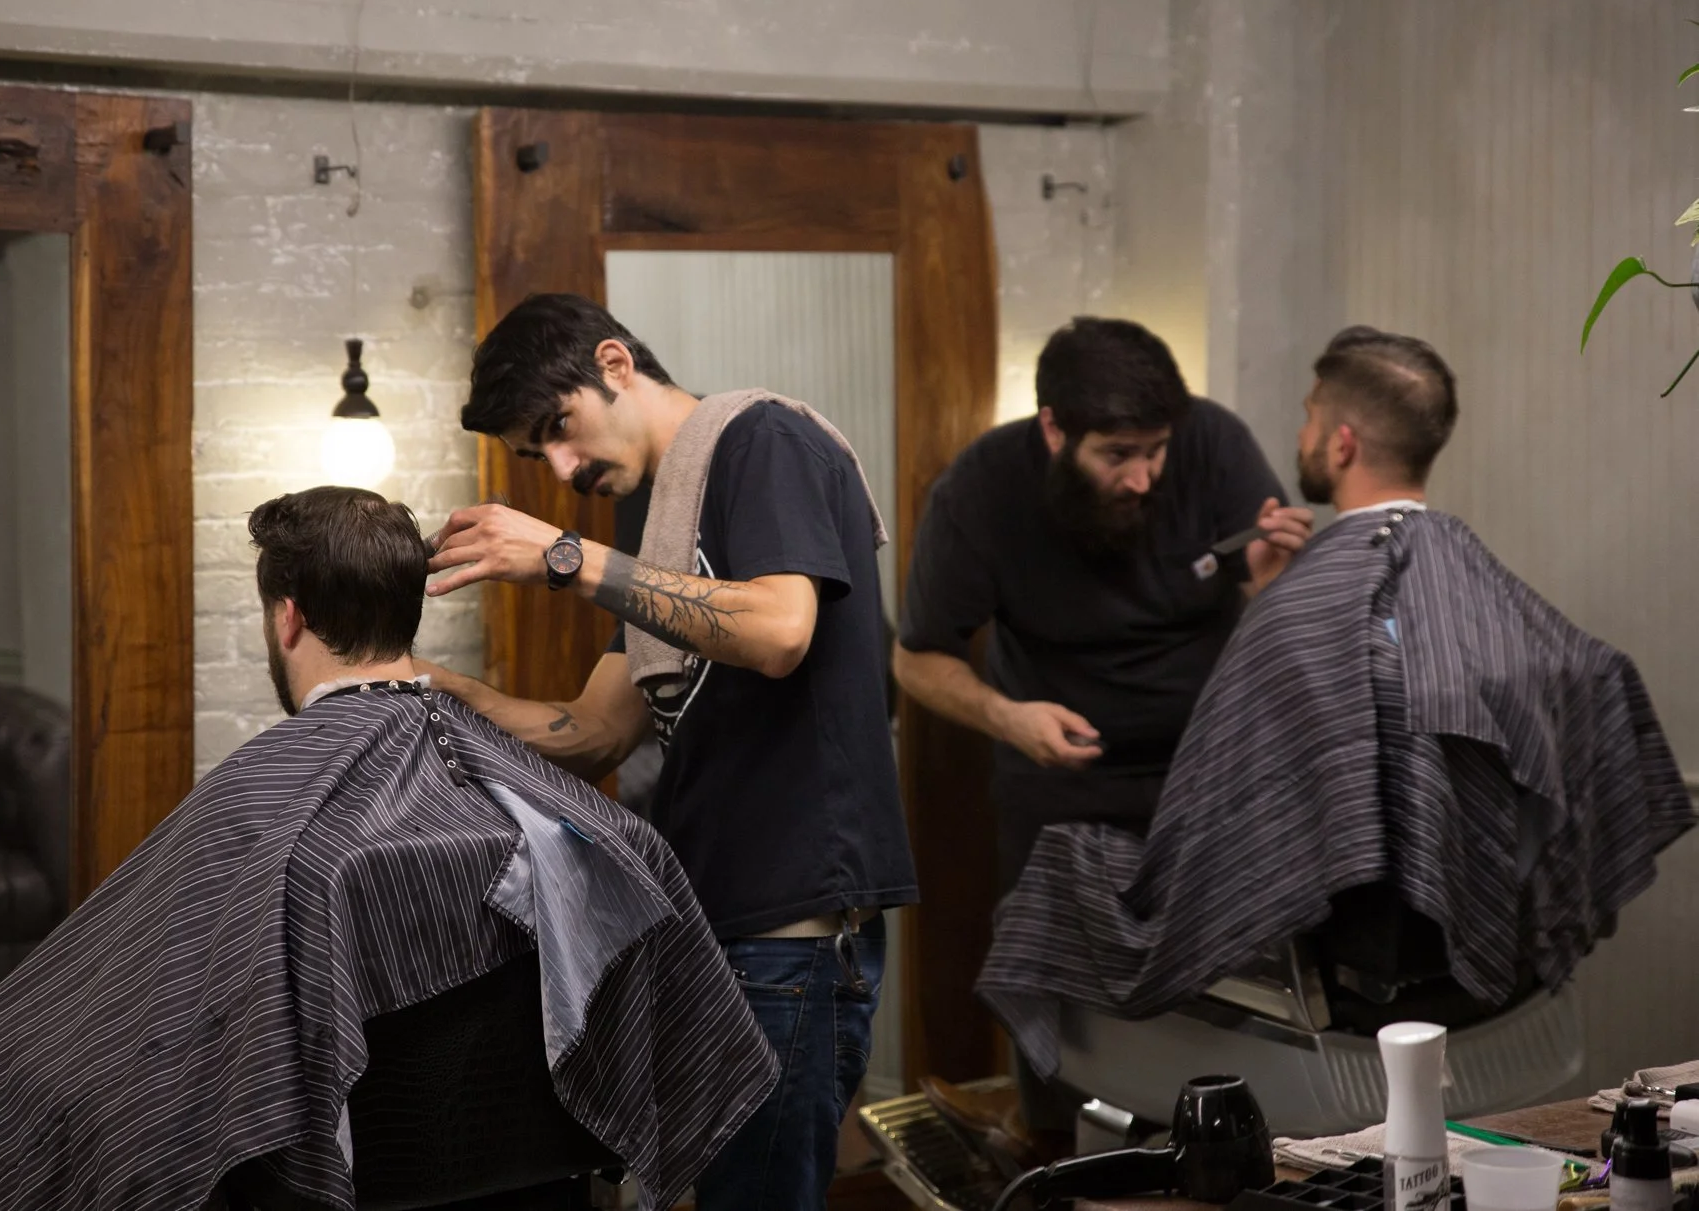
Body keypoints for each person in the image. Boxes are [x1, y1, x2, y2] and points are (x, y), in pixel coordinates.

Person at [0, 486, 777, 1211]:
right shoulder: (570, 821)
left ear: (287, 619)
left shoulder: (289, 832)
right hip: (535, 1185)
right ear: (407, 612)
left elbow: (163, 1052)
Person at [976, 327, 1690, 1065]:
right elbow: (1599, 681)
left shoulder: (1294, 619)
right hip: (1495, 983)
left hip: (1344, 990)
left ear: (1341, 443)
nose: (1300, 434)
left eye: (1310, 418)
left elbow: (1229, 843)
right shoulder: (1488, 596)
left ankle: (1055, 1134)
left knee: (1059, 881)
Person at [418, 292, 916, 1209]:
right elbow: (595, 731)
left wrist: (569, 559)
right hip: (718, 922)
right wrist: (440, 691)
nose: (561, 467)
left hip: (792, 933)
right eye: (539, 453)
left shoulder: (759, 439)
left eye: (559, 428)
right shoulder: (659, 519)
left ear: (615, 364)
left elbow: (779, 628)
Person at [889, 316, 1311, 1161]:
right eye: (1117, 454)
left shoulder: (1215, 446)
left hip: (1206, 778)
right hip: (1058, 780)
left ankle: (1197, 1148)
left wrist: (1272, 588)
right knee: (1063, 1004)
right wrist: (1010, 716)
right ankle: (1046, 1143)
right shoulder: (978, 490)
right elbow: (916, 657)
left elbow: (1292, 623)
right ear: (1054, 428)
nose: (1143, 476)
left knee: (1218, 994)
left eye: (1155, 450)